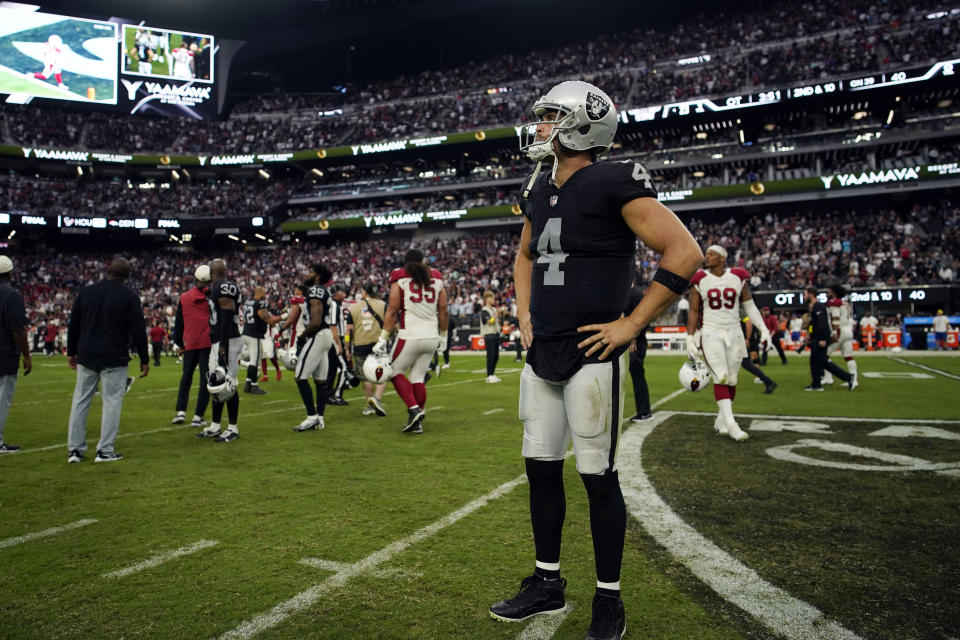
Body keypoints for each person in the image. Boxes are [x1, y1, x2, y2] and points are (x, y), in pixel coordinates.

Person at [490, 81, 703, 640]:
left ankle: (608, 599)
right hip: (545, 347)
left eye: (552, 116)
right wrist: (524, 313)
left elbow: (686, 252)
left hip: (592, 348)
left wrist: (633, 324)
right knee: (540, 468)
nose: (539, 126)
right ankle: (547, 582)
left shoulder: (614, 179)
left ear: (584, 123)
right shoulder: (537, 184)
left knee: (597, 476)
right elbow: (523, 254)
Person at [66, 258, 149, 463]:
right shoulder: (129, 296)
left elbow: (73, 324)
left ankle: (75, 450)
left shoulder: (86, 292)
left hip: (87, 354)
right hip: (115, 355)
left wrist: (71, 351)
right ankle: (105, 450)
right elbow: (138, 330)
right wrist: (145, 359)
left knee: (81, 401)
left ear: (108, 270)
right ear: (127, 276)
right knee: (111, 402)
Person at [687, 245, 772, 441]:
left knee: (732, 378)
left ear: (723, 258)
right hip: (711, 332)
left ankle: (721, 419)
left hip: (734, 332)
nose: (706, 257)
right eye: (706, 254)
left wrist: (764, 328)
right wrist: (690, 336)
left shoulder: (737, 277)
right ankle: (732, 425)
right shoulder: (700, 279)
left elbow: (749, 306)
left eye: (711, 254)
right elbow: (693, 310)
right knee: (721, 376)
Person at [374, 249, 448, 435]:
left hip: (410, 334)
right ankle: (416, 422)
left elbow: (392, 309)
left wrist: (383, 337)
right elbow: (444, 308)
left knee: (393, 371)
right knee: (417, 377)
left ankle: (414, 409)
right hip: (431, 335)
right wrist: (444, 335)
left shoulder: (400, 276)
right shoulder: (437, 277)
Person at [195, 259, 243, 442]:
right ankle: (215, 425)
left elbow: (225, 318)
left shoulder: (224, 288)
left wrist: (223, 345)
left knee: (228, 383)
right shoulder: (217, 287)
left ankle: (232, 428)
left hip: (227, 339)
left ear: (212, 272)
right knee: (215, 381)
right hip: (219, 340)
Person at [292, 264, 340, 432]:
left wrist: (302, 336)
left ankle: (311, 417)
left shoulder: (315, 291)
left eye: (311, 272)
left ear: (318, 276)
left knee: (300, 376)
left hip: (318, 335)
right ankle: (319, 418)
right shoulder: (320, 291)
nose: (308, 274)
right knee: (321, 382)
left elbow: (315, 321)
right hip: (325, 336)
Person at [171, 265, 212, 428]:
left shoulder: (184, 297)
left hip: (190, 343)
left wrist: (179, 343)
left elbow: (179, 323)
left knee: (186, 378)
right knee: (205, 379)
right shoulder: (211, 297)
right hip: (207, 343)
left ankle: (181, 411)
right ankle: (198, 415)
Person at [0, 256, 31, 454]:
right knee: (2, 399)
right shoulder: (11, 295)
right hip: (4, 354)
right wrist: (26, 355)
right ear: (10, 274)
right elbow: (18, 329)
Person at [804, 285, 856, 391]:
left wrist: (825, 337)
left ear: (810, 294)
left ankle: (844, 377)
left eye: (805, 294)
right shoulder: (818, 306)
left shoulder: (819, 306)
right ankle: (817, 383)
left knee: (822, 360)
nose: (804, 297)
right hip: (841, 331)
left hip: (825, 336)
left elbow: (823, 323)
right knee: (817, 360)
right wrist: (809, 334)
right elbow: (814, 324)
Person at [347, 282, 388, 417]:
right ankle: (377, 398)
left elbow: (349, 331)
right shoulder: (383, 305)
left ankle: (369, 406)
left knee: (366, 377)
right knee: (382, 373)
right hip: (378, 343)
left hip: (360, 344)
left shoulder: (353, 308)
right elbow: (391, 324)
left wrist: (347, 347)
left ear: (364, 292)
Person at [241, 286, 280, 396]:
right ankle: (254, 386)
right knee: (254, 362)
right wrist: (285, 316)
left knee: (255, 360)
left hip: (246, 333)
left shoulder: (248, 302)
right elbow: (269, 319)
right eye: (264, 293)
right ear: (259, 293)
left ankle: (248, 384)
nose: (265, 295)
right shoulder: (259, 304)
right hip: (254, 335)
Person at [821, 283, 858, 385]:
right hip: (848, 330)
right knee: (848, 356)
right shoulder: (846, 303)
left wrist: (834, 332)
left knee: (824, 355)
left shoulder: (834, 302)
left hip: (840, 330)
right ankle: (854, 379)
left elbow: (836, 318)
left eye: (829, 291)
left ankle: (828, 377)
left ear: (834, 292)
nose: (828, 293)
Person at [625, 276, 651, 422]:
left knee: (637, 376)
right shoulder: (635, 294)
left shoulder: (633, 294)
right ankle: (644, 411)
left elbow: (642, 319)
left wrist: (633, 337)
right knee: (636, 376)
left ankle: (644, 411)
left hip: (634, 343)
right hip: (633, 340)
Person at [326, 284, 352, 406]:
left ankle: (328, 395)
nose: (344, 294)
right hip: (335, 339)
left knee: (331, 369)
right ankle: (337, 395)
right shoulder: (335, 305)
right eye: (341, 291)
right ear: (336, 293)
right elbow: (333, 326)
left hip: (332, 339)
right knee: (345, 368)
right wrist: (339, 344)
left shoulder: (334, 304)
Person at [742, 316, 777, 394]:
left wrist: (748, 338)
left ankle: (768, 382)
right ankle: (768, 382)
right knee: (745, 363)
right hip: (741, 339)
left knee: (747, 362)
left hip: (743, 340)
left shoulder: (740, 310)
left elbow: (748, 322)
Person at [480, 290, 502, 383]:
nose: (494, 300)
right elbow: (489, 322)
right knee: (491, 356)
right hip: (489, 335)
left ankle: (492, 374)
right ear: (487, 299)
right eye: (492, 298)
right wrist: (497, 314)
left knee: (496, 356)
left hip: (496, 334)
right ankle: (489, 376)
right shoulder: (484, 310)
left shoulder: (493, 309)